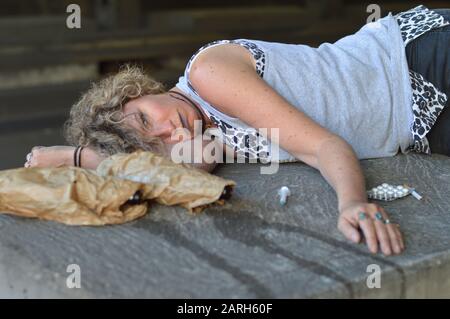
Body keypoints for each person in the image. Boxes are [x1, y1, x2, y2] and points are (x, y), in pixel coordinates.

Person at [25, 5, 450, 256]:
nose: (168, 129)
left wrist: (353, 204)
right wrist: (75, 156)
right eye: (157, 144)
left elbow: (324, 146)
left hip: (416, 63)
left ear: (132, 93)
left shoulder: (209, 75)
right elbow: (174, 168)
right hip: (420, 126)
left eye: (143, 117)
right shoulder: (201, 142)